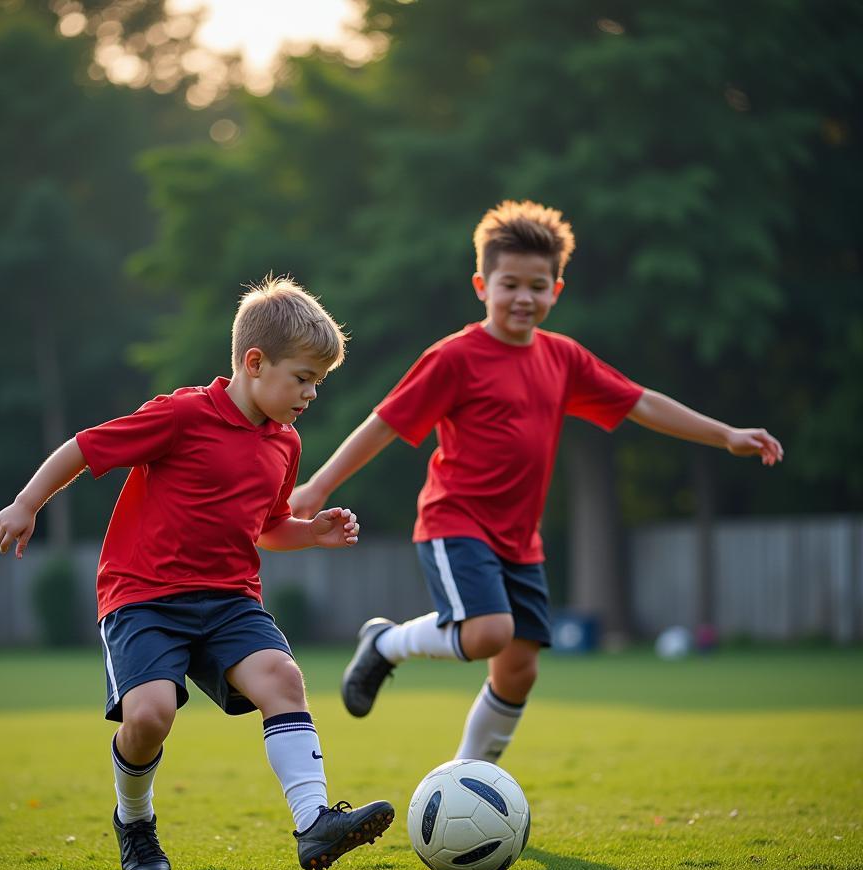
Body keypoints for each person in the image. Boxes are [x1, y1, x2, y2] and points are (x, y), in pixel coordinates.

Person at [290, 199, 783, 764]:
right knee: (488, 632)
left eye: (537, 285)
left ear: (556, 291)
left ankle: (471, 780)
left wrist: (725, 435)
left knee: (519, 669)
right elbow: (384, 424)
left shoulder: (564, 358)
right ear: (482, 285)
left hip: (521, 540)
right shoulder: (454, 358)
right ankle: (385, 643)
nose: (524, 296)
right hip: (455, 523)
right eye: (509, 284)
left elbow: (640, 402)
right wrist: (318, 488)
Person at [0, 276, 394, 870]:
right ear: (255, 363)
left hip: (230, 600)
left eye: (317, 382)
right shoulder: (181, 415)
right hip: (143, 597)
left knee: (282, 678)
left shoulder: (285, 444)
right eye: (303, 379)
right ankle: (135, 819)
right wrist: (27, 503)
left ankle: (314, 824)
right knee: (149, 717)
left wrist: (309, 532)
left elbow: (268, 525)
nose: (311, 394)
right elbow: (84, 447)